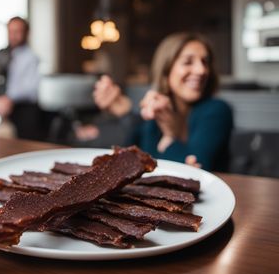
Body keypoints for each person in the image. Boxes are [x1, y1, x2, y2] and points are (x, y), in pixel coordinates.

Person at [92, 32, 233, 171]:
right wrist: (125, 112)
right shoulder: (158, 110)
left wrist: (171, 137)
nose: (202, 70)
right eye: (188, 62)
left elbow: (195, 172)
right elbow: (134, 162)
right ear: (166, 71)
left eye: (205, 62)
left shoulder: (217, 110)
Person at [0, 16, 41, 140]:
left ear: (26, 33)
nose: (13, 35)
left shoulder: (31, 58)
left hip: (24, 110)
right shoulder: (2, 55)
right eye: (10, 31)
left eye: (17, 31)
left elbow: (32, 89)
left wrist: (8, 99)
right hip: (2, 108)